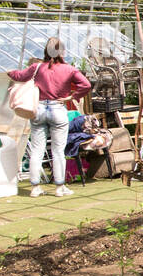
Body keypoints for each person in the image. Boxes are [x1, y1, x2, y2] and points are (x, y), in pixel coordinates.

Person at [8, 37, 91, 197]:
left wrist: (9, 72)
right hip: (58, 110)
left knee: (37, 150)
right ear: (62, 52)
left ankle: (35, 188)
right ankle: (60, 188)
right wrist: (71, 97)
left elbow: (18, 76)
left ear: (46, 51)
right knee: (58, 151)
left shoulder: (36, 67)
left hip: (38, 110)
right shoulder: (69, 69)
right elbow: (86, 85)